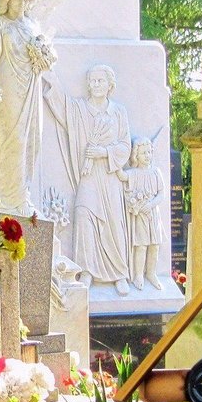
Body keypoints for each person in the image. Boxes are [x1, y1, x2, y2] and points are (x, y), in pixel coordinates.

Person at [43, 64, 132, 294]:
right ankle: (86, 270)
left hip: (110, 177)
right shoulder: (80, 109)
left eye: (100, 80)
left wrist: (104, 153)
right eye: (92, 81)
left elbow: (125, 146)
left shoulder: (118, 112)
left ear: (110, 84)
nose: (95, 85)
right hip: (88, 176)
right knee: (83, 215)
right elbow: (63, 107)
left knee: (113, 222)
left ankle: (119, 274)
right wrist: (51, 79)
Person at [0, 0, 55, 217]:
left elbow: (46, 55)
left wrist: (45, 57)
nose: (22, 4)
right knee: (14, 141)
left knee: (32, 140)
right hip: (9, 90)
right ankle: (8, 200)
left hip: (31, 89)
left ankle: (22, 194)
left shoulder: (32, 26)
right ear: (7, 0)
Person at [117, 137, 166, 290]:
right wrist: (116, 157)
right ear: (136, 155)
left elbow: (161, 194)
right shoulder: (134, 173)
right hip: (140, 216)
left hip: (153, 215)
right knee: (141, 246)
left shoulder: (156, 172)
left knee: (154, 245)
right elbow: (122, 176)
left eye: (149, 152)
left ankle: (151, 273)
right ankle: (139, 275)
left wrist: (151, 204)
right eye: (144, 153)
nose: (147, 156)